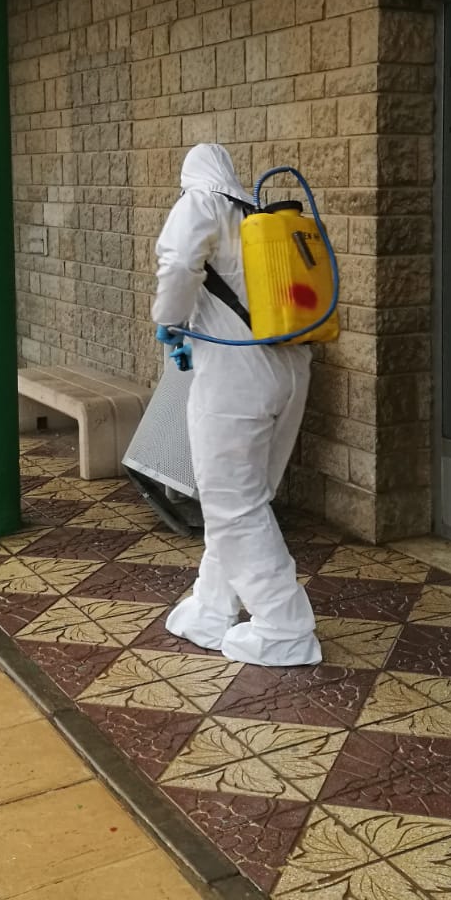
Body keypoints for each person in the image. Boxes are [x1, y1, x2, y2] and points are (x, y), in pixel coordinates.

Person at [152, 143, 321, 667]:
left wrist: (170, 321)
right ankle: (212, 606)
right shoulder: (259, 215)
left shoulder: (202, 202)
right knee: (247, 498)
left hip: (236, 376)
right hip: (290, 369)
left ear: (193, 177)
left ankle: (285, 625)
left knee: (231, 502)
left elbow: (180, 261)